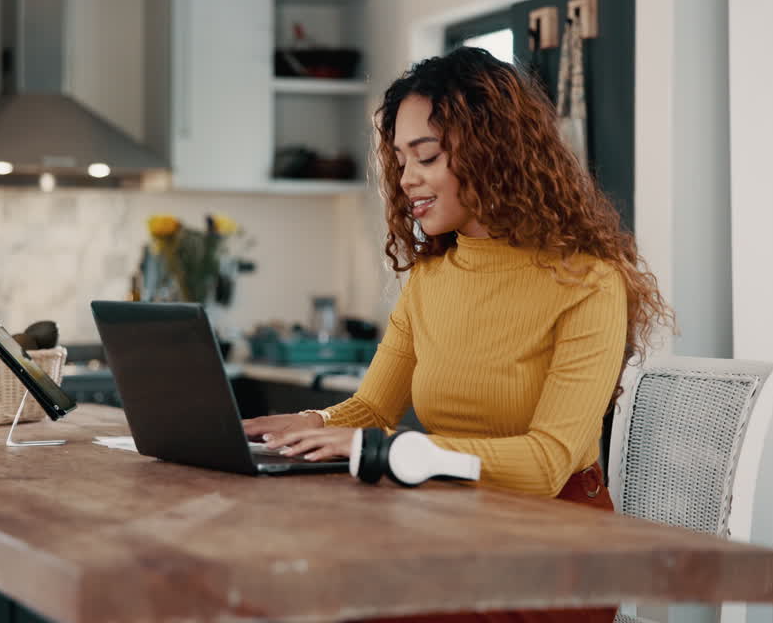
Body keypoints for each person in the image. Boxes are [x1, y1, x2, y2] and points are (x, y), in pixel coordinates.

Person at [242, 47, 673, 623]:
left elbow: (547, 465)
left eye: (426, 156)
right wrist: (310, 426)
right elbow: (372, 406)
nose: (406, 178)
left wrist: (387, 452)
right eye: (399, 159)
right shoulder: (432, 277)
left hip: (556, 546)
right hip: (450, 523)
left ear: (494, 153)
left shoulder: (587, 282)